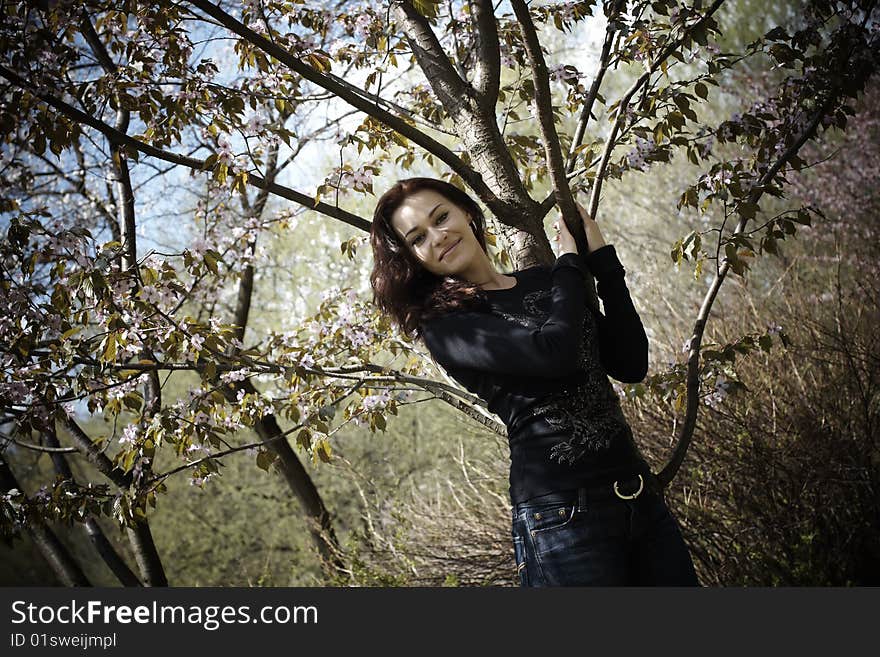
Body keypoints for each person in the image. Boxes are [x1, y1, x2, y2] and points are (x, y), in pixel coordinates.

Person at [369, 176, 698, 586]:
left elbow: (630, 363)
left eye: (441, 217)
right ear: (415, 259)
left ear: (468, 214)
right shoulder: (448, 327)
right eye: (418, 238)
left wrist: (603, 263)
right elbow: (553, 353)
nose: (438, 237)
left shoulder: (547, 282)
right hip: (563, 518)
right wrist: (570, 264)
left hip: (637, 494)